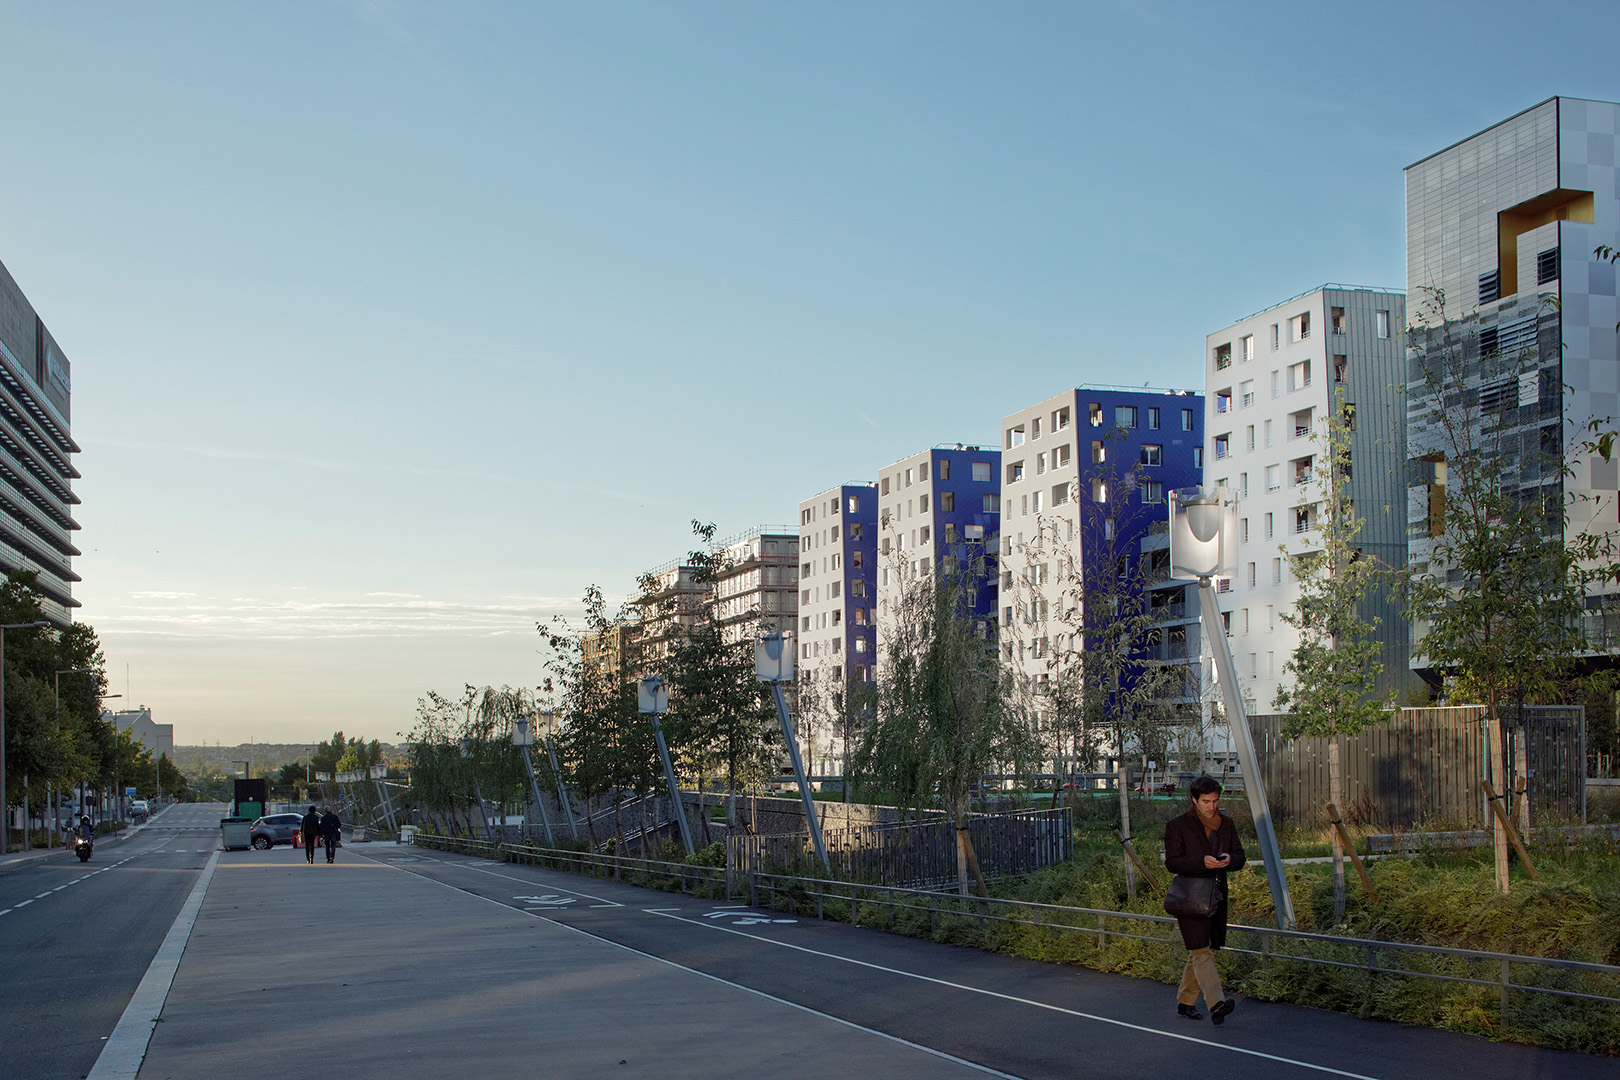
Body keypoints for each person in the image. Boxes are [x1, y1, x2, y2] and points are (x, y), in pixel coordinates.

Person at [1164, 775, 1246, 1025]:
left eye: (1215, 801)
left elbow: (1241, 856)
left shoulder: (1227, 824)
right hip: (1189, 897)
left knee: (1200, 948)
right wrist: (1202, 861)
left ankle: (1186, 1002)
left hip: (1216, 895)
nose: (1212, 807)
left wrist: (1229, 860)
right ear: (1194, 800)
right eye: (1206, 801)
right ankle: (1217, 1003)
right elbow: (1172, 862)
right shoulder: (1177, 826)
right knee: (1201, 950)